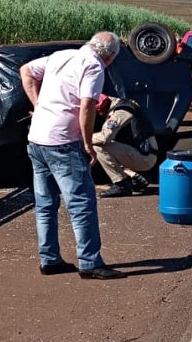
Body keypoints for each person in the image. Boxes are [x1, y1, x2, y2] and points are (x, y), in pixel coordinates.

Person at [19, 31, 127, 280]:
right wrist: (88, 143)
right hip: (63, 142)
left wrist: (38, 105)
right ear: (110, 56)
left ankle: (49, 259)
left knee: (45, 204)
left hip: (37, 139)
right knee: (81, 204)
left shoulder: (61, 56)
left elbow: (26, 71)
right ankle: (89, 262)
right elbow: (87, 105)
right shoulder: (94, 66)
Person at [93, 95, 158, 198]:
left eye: (99, 112)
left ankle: (121, 184)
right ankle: (133, 176)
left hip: (145, 157)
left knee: (99, 146)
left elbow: (105, 137)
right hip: (142, 152)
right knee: (110, 146)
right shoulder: (122, 104)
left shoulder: (122, 112)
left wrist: (82, 139)